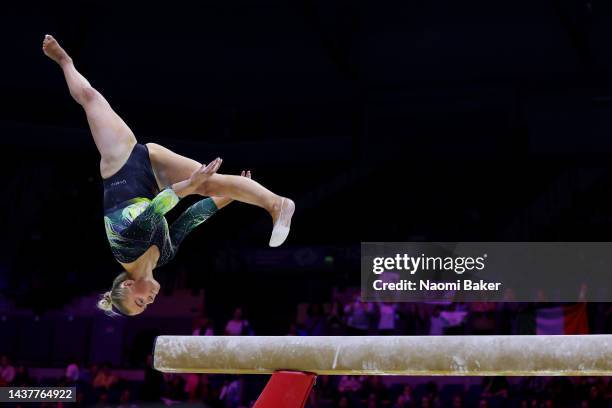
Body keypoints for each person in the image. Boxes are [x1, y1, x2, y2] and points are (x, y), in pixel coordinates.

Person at [42, 35, 295, 316]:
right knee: (213, 185)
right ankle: (277, 204)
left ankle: (64, 61)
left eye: (140, 302)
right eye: (147, 306)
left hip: (121, 164)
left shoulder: (125, 251)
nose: (149, 301)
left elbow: (153, 212)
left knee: (90, 99)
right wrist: (232, 195)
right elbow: (191, 218)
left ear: (126, 287)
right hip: (155, 180)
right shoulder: (164, 256)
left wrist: (189, 185)